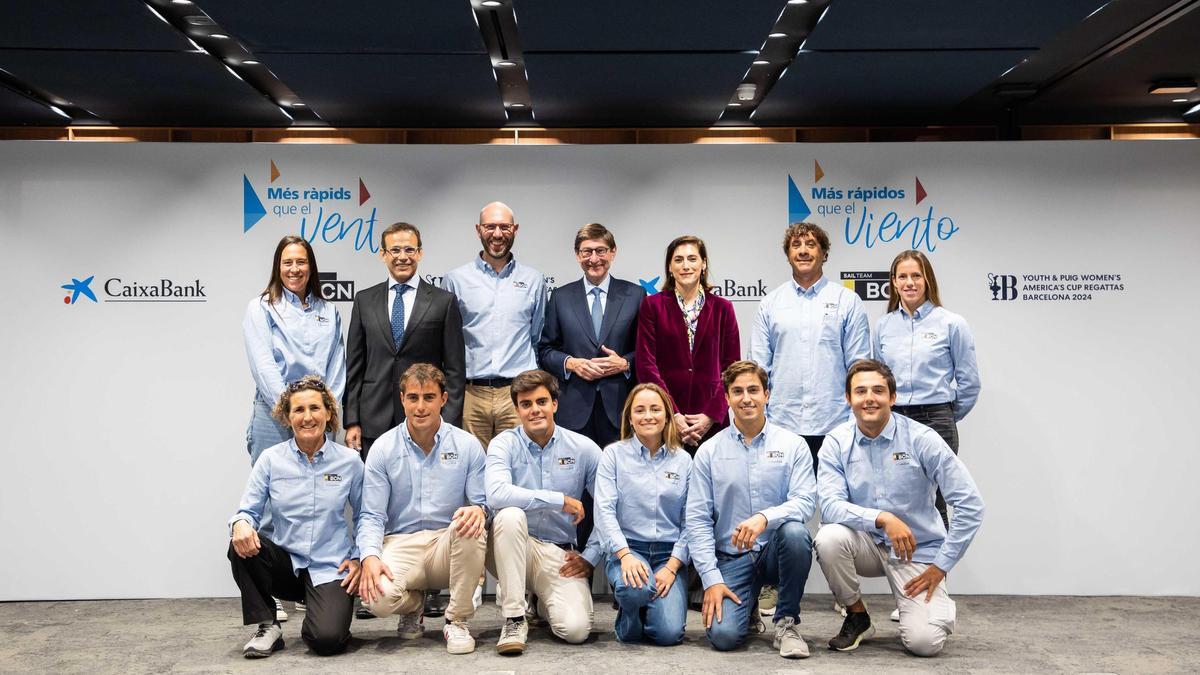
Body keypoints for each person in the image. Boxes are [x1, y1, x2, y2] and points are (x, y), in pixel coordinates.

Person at [815, 360, 985, 657]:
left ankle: (933, 608)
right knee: (828, 538)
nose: (869, 398)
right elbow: (829, 504)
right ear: (848, 399)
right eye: (861, 391)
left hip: (916, 550)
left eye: (878, 390)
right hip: (865, 544)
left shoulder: (923, 439)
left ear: (892, 398)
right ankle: (857, 615)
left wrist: (941, 565)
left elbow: (971, 504)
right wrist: (881, 518)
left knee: (924, 644)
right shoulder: (836, 442)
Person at [242, 235, 346, 621]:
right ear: (277, 266)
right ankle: (271, 596)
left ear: (311, 266)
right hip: (274, 413)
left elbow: (338, 364)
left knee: (315, 499)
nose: (295, 269)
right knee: (269, 502)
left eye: (301, 262)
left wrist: (324, 410)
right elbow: (263, 364)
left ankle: (305, 585)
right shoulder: (261, 308)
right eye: (287, 262)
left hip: (317, 415)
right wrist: (290, 410)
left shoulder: (328, 310)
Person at [685, 361, 816, 658]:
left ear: (767, 394)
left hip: (775, 552)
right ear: (727, 398)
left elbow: (805, 500)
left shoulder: (793, 445)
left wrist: (764, 518)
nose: (746, 398)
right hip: (731, 559)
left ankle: (786, 623)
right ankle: (749, 609)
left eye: (754, 390)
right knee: (724, 637)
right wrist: (712, 580)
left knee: (796, 533)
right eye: (738, 391)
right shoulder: (709, 451)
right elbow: (697, 520)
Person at [355, 364, 489, 655]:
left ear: (444, 398)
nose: (420, 406)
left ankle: (457, 620)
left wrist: (479, 509)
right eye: (413, 397)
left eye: (429, 397)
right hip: (401, 544)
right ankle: (413, 606)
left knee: (471, 522)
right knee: (375, 599)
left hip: (446, 544)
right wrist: (369, 556)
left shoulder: (467, 445)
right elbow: (371, 515)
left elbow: (482, 502)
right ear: (402, 399)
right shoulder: (382, 448)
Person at [227, 376, 362, 658]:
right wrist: (240, 524)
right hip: (286, 565)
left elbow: (367, 515)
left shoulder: (349, 462)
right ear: (287, 418)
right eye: (298, 410)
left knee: (326, 641)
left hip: (331, 567)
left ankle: (325, 613)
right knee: (239, 541)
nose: (307, 417)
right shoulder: (270, 459)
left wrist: (360, 556)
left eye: (314, 408)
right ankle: (268, 627)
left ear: (328, 413)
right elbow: (247, 511)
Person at [538, 222, 646, 555]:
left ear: (612, 253)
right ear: (577, 255)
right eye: (587, 252)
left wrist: (625, 363)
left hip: (620, 410)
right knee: (576, 493)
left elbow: (647, 351)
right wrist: (571, 363)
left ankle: (622, 570)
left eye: (600, 250)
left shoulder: (636, 295)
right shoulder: (560, 296)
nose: (594, 258)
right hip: (575, 410)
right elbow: (545, 350)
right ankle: (576, 568)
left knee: (622, 490)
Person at [484, 370, 603, 655]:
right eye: (526, 404)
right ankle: (514, 617)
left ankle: (537, 599)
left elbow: (608, 508)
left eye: (541, 401)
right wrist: (558, 499)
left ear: (555, 404)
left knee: (575, 630)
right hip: (512, 547)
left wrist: (591, 557)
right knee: (510, 515)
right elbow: (496, 494)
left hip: (558, 553)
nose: (535, 410)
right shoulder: (503, 444)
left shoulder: (584, 448)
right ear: (517, 409)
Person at [874, 250, 980, 527]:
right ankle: (900, 569)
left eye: (916, 276)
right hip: (893, 421)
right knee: (896, 500)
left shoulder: (951, 323)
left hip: (937, 420)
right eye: (903, 276)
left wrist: (945, 414)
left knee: (935, 501)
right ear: (894, 283)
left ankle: (937, 571)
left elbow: (969, 383)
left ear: (927, 280)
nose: (910, 282)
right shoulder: (883, 326)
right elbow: (878, 379)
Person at [344, 222, 466, 456]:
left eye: (409, 250)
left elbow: (455, 370)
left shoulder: (443, 301)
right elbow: (355, 368)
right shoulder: (364, 300)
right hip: (373, 419)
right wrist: (352, 421)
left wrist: (447, 422)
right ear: (383, 254)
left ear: (419, 252)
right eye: (395, 250)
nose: (403, 257)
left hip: (426, 420)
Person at [442, 201, 546, 449]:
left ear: (515, 229)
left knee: (519, 468)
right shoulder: (455, 280)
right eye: (490, 227)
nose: (497, 234)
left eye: (504, 227)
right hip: (471, 395)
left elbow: (538, 337)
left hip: (518, 393)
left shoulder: (534, 280)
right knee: (472, 471)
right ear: (478, 230)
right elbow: (449, 343)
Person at [593, 383, 691, 645]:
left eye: (655, 409)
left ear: (667, 416)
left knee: (668, 635)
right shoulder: (613, 455)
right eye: (640, 410)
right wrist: (624, 555)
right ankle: (630, 614)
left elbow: (691, 520)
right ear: (630, 417)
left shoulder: (684, 461)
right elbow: (604, 510)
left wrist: (672, 567)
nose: (648, 416)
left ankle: (648, 609)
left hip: (668, 555)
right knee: (635, 590)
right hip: (628, 549)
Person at [636, 235, 740, 452]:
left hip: (711, 421)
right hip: (664, 419)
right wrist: (672, 414)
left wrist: (711, 416)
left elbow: (732, 369)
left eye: (692, 259)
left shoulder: (723, 308)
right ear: (669, 267)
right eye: (678, 260)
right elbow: (646, 365)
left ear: (703, 264)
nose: (686, 266)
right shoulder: (652, 306)